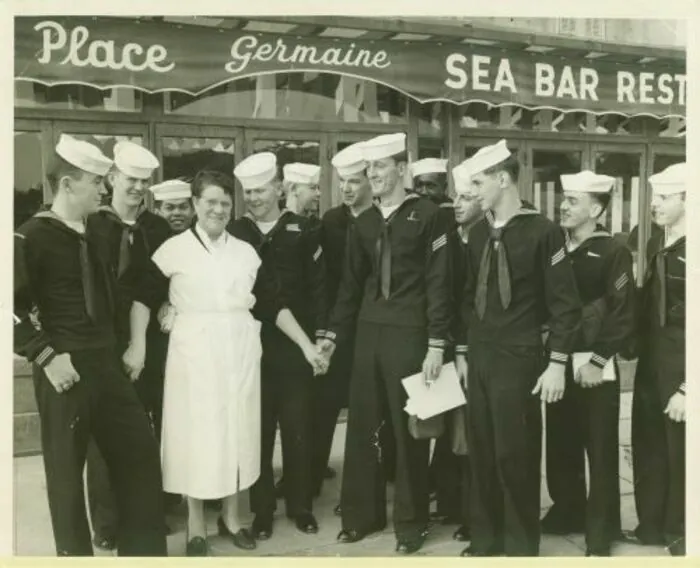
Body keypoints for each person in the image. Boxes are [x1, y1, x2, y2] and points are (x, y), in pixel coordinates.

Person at [123, 169, 327, 556]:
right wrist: (138, 347)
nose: (218, 209)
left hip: (239, 350)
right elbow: (142, 299)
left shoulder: (245, 252)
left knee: (238, 432)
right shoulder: (173, 249)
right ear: (196, 204)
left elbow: (271, 304)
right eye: (210, 202)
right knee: (196, 436)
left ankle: (233, 517)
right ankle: (196, 524)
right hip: (193, 353)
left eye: (224, 203)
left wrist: (305, 345)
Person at [13, 134, 167, 556]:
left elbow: (132, 283)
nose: (104, 190)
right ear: (66, 185)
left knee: (139, 458)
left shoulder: (101, 229)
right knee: (66, 479)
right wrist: (44, 355)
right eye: (95, 182)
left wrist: (144, 327)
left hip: (107, 363)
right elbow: (10, 308)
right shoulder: (28, 237)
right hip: (64, 368)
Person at [319, 132, 453, 555]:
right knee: (363, 426)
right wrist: (332, 338)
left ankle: (410, 524)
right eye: (368, 170)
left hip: (412, 334)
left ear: (401, 168)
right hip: (368, 333)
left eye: (379, 168)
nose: (372, 176)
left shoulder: (431, 215)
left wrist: (436, 343)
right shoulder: (364, 223)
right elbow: (350, 289)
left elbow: (440, 283)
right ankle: (362, 515)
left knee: (409, 429)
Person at [454, 139, 582, 557]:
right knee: (483, 451)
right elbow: (467, 297)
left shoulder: (543, 232)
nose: (472, 191)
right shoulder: (475, 234)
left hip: (520, 355)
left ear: (503, 179)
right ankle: (486, 538)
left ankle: (520, 546)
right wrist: (462, 353)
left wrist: (557, 363)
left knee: (516, 452)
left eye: (478, 182)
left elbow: (566, 306)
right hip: (481, 354)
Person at [229, 153, 329, 539]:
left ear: (278, 188)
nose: (253, 198)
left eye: (260, 190)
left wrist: (321, 336)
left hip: (296, 343)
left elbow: (320, 287)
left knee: (297, 426)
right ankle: (263, 511)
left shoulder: (303, 229)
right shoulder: (236, 230)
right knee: (258, 431)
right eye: (247, 192)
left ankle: (300, 506)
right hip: (250, 344)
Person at [84, 141, 171, 551]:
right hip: (102, 340)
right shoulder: (91, 224)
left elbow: (165, 280)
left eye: (144, 181)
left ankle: (145, 515)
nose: (137, 187)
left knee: (145, 429)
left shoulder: (158, 229)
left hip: (149, 341)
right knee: (103, 435)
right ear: (112, 178)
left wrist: (168, 307)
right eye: (131, 179)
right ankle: (106, 522)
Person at [542, 171, 635, 556]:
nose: (563, 206)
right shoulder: (555, 246)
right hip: (560, 361)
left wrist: (598, 361)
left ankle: (601, 529)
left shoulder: (614, 251)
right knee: (560, 442)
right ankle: (566, 512)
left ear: (596, 208)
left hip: (597, 367)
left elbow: (623, 312)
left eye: (573, 201)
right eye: (564, 198)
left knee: (598, 448)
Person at [625, 163, 686, 556]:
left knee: (682, 451)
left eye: (664, 197)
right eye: (654, 197)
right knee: (648, 443)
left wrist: (688, 386)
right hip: (651, 359)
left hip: (683, 361)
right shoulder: (656, 245)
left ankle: (683, 527)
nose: (655, 205)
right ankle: (652, 524)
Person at [312, 142, 375, 510]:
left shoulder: (385, 218)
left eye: (354, 180)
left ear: (370, 180)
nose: (347, 189)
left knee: (367, 413)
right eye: (342, 182)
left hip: (372, 327)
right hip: (337, 329)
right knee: (325, 406)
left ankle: (365, 484)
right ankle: (312, 474)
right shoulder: (331, 222)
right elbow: (321, 280)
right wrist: (326, 329)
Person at [409, 157, 464, 526]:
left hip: (448, 335)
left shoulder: (445, 217)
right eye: (421, 186)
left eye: (433, 185)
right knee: (427, 418)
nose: (426, 193)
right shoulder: (419, 218)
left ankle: (446, 494)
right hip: (424, 329)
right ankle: (432, 485)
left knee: (448, 425)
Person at [441, 160, 483, 543]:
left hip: (474, 349)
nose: (458, 203)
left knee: (471, 434)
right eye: (456, 196)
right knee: (448, 432)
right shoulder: (450, 238)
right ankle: (452, 504)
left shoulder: (487, 240)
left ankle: (474, 514)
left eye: (468, 197)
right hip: (449, 344)